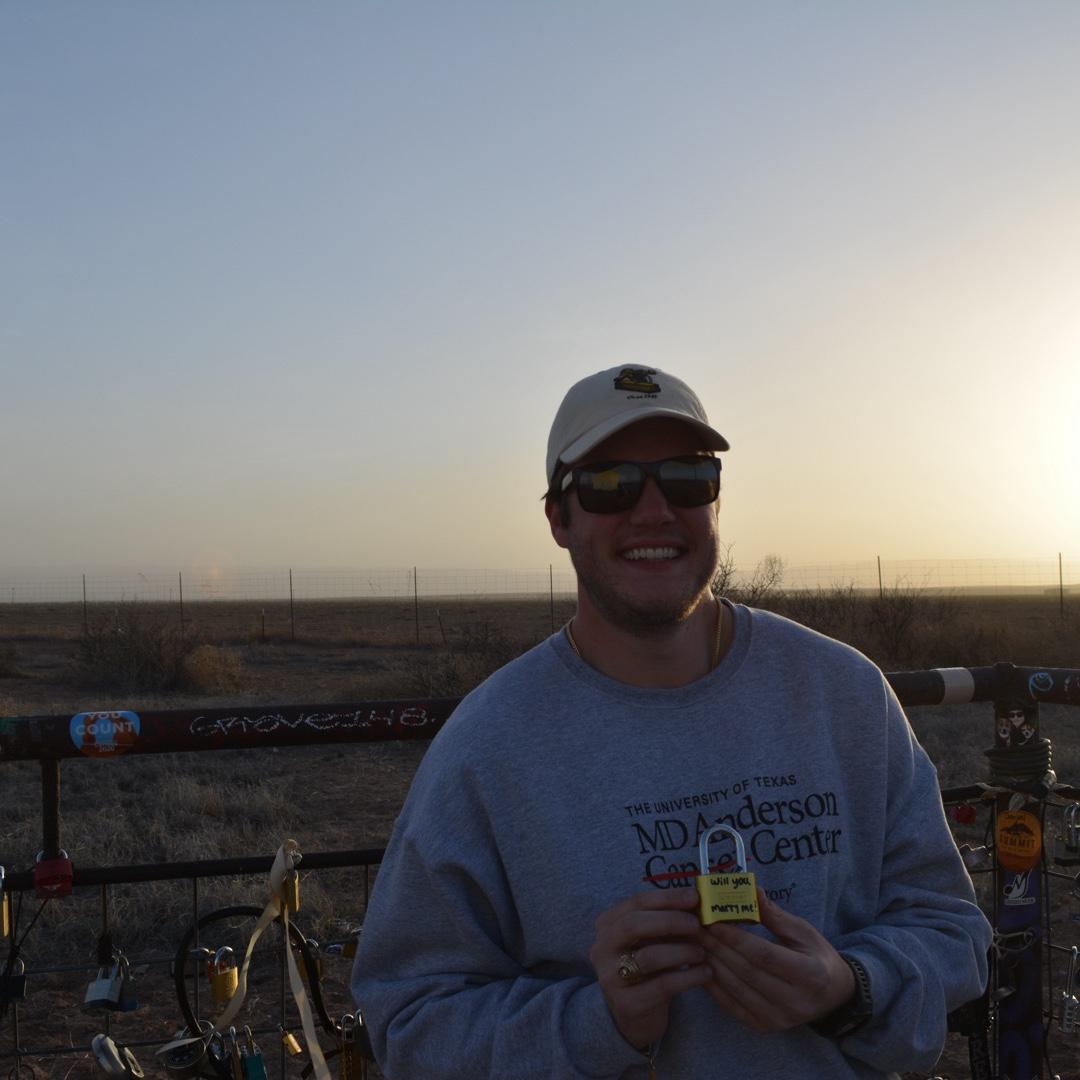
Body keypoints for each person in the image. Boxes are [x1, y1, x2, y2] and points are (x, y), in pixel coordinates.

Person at [351, 365, 991, 1078]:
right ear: (558, 519)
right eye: (609, 483)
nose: (654, 511)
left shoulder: (844, 694)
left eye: (687, 477)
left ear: (716, 499)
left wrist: (850, 987)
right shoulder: (487, 747)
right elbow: (410, 1024)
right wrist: (600, 1023)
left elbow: (952, 932)